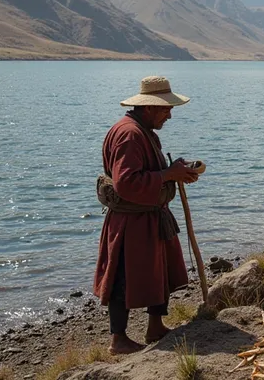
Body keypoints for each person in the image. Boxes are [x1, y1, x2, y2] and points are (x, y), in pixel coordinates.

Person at [93, 76, 200, 355]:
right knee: (122, 277)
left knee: (159, 269)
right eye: (166, 109)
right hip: (131, 222)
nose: (170, 114)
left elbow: (148, 172)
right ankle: (118, 340)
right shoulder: (130, 134)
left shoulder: (143, 130)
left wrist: (176, 171)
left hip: (150, 217)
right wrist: (167, 175)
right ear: (150, 107)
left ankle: (155, 327)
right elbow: (126, 183)